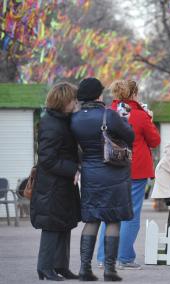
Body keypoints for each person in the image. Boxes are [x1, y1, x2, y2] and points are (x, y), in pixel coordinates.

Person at [71, 78, 134, 282]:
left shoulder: (75, 119)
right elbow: (130, 136)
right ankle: (109, 270)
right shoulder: (110, 115)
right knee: (113, 219)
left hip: (89, 174)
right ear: (99, 95)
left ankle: (84, 268)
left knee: (92, 219)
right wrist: (124, 119)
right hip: (114, 172)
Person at [96, 80, 160, 269]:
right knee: (130, 215)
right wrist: (149, 118)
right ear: (133, 94)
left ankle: (103, 258)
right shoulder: (140, 115)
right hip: (135, 170)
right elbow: (155, 141)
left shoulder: (106, 113)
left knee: (109, 213)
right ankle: (124, 258)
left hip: (109, 168)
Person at [30, 82, 81, 281]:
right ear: (63, 101)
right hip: (52, 185)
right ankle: (45, 267)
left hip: (61, 184)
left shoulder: (61, 120)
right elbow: (47, 158)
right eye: (73, 100)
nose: (75, 103)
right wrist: (73, 169)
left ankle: (61, 266)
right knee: (52, 227)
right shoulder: (51, 124)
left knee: (64, 224)